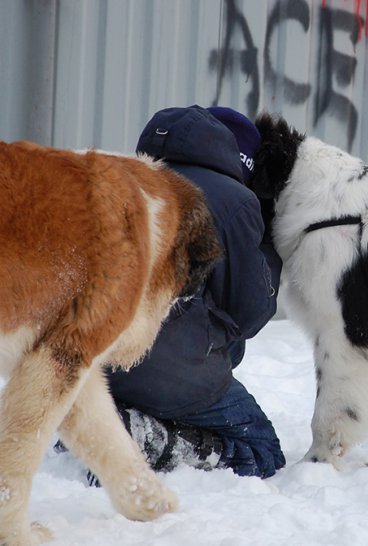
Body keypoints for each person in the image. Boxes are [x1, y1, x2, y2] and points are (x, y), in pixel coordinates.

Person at [103, 105, 285, 479]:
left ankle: (106, 424)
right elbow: (250, 312)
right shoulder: (234, 201)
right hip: (168, 370)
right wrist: (266, 247)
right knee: (262, 450)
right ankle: (148, 441)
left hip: (101, 361)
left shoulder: (123, 178)